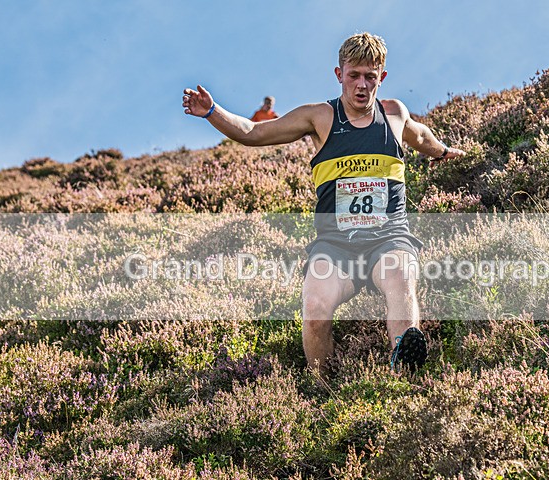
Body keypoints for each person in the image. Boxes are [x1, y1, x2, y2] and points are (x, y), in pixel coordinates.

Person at [183, 32, 465, 380]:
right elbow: (253, 132)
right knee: (315, 308)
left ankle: (404, 371)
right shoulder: (319, 117)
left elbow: (420, 136)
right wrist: (212, 112)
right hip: (335, 245)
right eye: (353, 75)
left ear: (381, 77)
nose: (361, 85)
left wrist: (443, 152)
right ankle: (323, 388)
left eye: (370, 77)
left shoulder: (393, 113)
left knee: (401, 278)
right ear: (339, 74)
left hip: (388, 238)